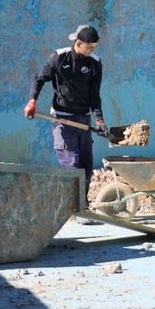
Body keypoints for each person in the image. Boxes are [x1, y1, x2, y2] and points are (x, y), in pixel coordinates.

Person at [25, 24, 106, 214]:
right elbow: (39, 79)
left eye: (94, 46)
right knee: (72, 166)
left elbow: (95, 95)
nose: (93, 50)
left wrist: (100, 120)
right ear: (78, 43)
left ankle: (81, 206)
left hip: (83, 120)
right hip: (62, 119)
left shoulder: (95, 63)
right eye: (90, 47)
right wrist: (32, 101)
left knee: (86, 168)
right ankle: (72, 208)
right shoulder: (59, 57)